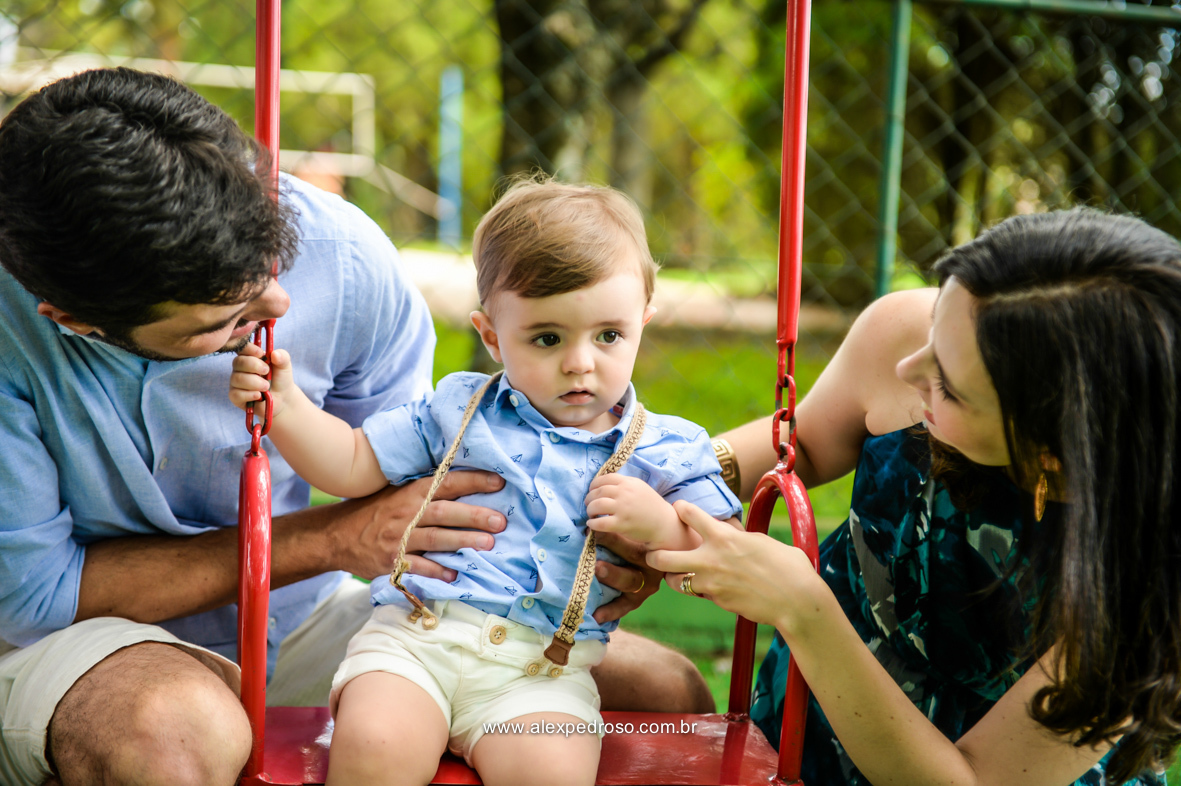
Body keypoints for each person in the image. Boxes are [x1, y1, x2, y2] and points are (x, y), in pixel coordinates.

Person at [0, 68, 707, 786]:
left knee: (664, 692)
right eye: (226, 322)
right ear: (75, 320)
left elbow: (401, 482)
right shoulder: (12, 317)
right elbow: (34, 598)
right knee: (173, 736)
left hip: (303, 615)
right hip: (75, 641)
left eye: (271, 266)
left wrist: (620, 548)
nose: (277, 304)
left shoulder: (341, 251)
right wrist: (333, 539)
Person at [229, 178, 744, 786]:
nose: (581, 361)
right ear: (492, 336)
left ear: (643, 323)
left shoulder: (667, 450)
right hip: (415, 638)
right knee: (375, 746)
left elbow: (728, 555)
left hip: (541, 674)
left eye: (609, 335)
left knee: (552, 773)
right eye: (547, 338)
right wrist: (286, 407)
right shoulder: (457, 410)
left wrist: (662, 527)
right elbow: (351, 462)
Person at [649, 209, 1181, 786]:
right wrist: (675, 476)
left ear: (1051, 450)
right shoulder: (916, 332)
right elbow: (804, 440)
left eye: (948, 385)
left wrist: (804, 608)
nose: (908, 367)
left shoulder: (1154, 575)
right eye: (934, 329)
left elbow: (970, 781)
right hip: (802, 729)